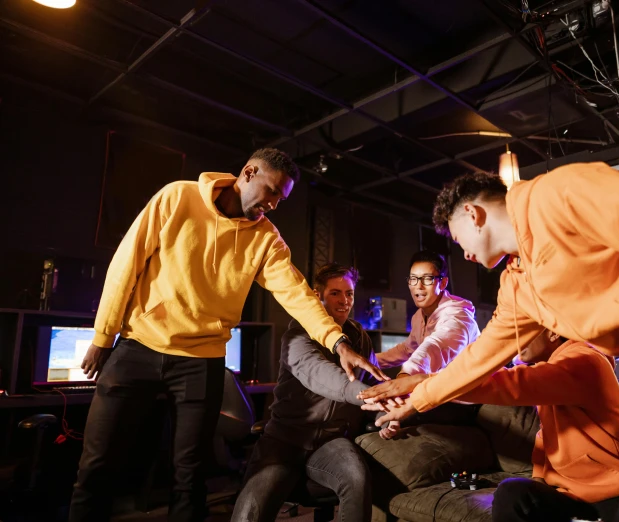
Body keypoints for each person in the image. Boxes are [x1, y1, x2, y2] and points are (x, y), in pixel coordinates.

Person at [362, 165, 619, 522]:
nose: (465, 255)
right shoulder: (517, 284)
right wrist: (416, 392)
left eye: (458, 241)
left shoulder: (558, 193)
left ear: (472, 215)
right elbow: (480, 358)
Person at [70, 149, 385, 522]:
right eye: (270, 192)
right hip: (139, 344)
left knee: (190, 477)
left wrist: (338, 342)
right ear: (248, 172)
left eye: (280, 200)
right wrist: (103, 336)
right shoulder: (177, 197)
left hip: (202, 360)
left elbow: (297, 295)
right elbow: (127, 263)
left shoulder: (267, 239)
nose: (272, 204)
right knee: (96, 464)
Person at [461, 329, 619, 522]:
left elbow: (511, 384)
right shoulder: (551, 372)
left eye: (523, 331)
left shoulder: (585, 360)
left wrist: (436, 386)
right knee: (513, 493)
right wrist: (538, 480)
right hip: (571, 496)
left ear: (552, 333)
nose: (515, 341)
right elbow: (547, 437)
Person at [232, 263, 379, 522]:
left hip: (332, 441)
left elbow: (374, 387)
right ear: (317, 295)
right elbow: (322, 375)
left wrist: (385, 418)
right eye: (335, 293)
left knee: (358, 478)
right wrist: (372, 397)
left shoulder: (360, 338)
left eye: (349, 293)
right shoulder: (298, 333)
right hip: (285, 440)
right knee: (249, 512)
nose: (344, 300)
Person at [372, 250, 480, 438]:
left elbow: (434, 346)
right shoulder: (418, 317)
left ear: (443, 282)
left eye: (427, 279)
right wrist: (368, 361)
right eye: (413, 279)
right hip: (435, 389)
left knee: (381, 416)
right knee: (375, 413)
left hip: (464, 398)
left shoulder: (458, 314)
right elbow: (407, 349)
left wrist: (404, 379)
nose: (418, 286)